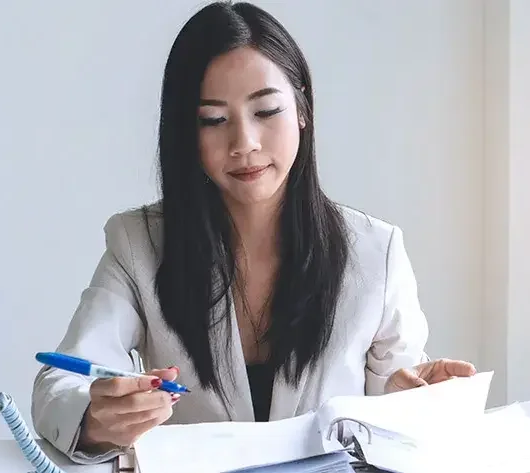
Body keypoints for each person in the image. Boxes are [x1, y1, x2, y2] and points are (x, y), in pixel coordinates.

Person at [31, 0, 476, 464]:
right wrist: (95, 417)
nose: (244, 143)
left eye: (266, 111)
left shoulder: (375, 251)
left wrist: (419, 401)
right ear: (187, 132)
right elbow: (58, 384)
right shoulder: (139, 244)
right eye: (214, 120)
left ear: (302, 109)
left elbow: (395, 393)